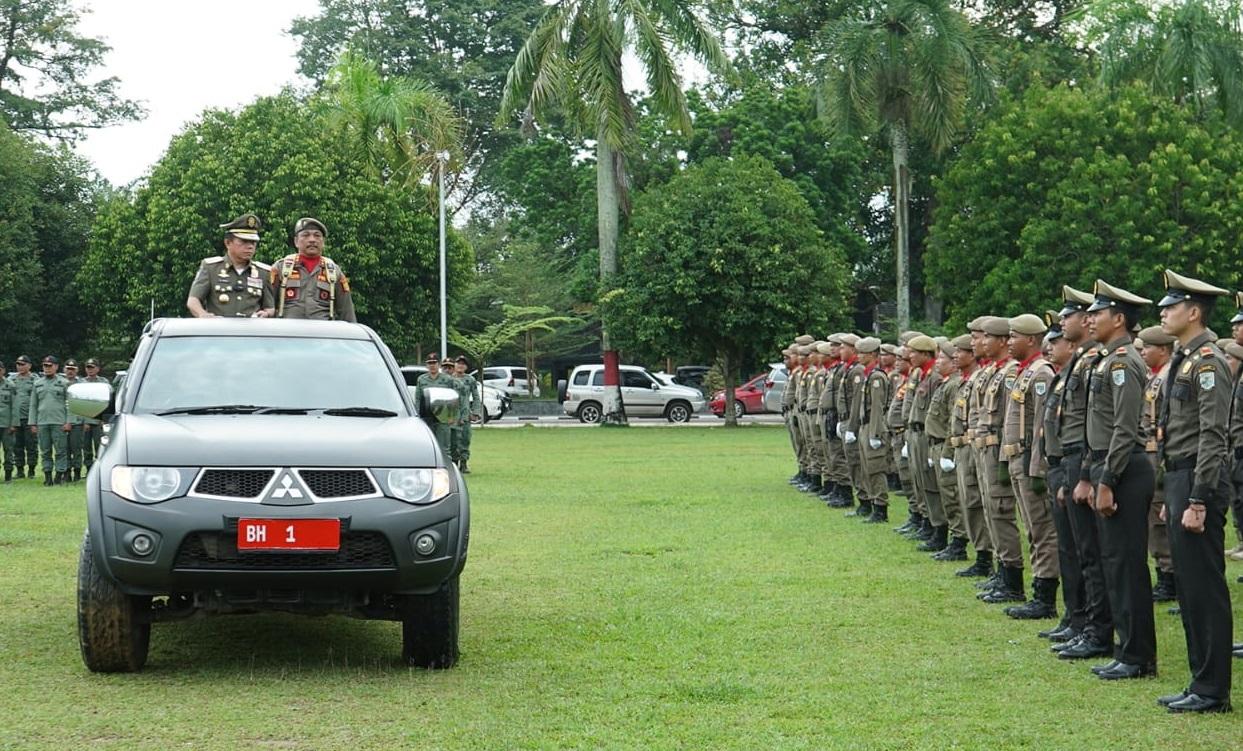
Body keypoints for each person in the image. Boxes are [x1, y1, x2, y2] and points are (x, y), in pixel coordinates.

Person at [1155, 269, 1233, 713]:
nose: (1163, 313)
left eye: (1171, 306)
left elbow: (1212, 434)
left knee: (1204, 587)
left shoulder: (1208, 362)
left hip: (1199, 479)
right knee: (1188, 586)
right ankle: (1199, 680)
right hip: (1181, 477)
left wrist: (1199, 497)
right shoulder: (1185, 358)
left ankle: (1212, 689)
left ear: (1194, 311)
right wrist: (1174, 493)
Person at [1073, 281, 1158, 681]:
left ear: (1119, 319)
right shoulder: (1107, 359)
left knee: (1126, 565)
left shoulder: (1124, 361)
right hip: (1109, 467)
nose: (1089, 319)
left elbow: (1125, 429)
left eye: (1098, 313)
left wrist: (1106, 478)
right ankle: (1126, 648)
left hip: (1125, 469)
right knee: (1113, 563)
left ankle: (1137, 655)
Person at [1050, 287, 1115, 661]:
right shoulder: (1082, 360)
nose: (1067, 321)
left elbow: (1099, 421)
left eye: (1070, 316)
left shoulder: (1099, 361)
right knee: (1078, 550)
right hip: (1072, 458)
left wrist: (1086, 472)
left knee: (1091, 552)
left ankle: (1096, 629)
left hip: (1084, 458)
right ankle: (1083, 622)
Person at [1001, 314, 1060, 620]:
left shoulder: (1040, 375)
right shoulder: (1026, 373)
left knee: (1042, 529)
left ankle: (1045, 595)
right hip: (1016, 459)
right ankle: (1038, 589)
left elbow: (1041, 426)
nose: (1009, 342)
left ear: (1032, 340)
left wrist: (1037, 469)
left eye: (1014, 336)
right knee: (1032, 527)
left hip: (1029, 461)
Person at [1037, 312, 1087, 641]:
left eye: (1056, 340)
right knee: (1069, 550)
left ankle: (1086, 622)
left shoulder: (1080, 371)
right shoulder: (1063, 374)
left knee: (1083, 552)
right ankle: (1074, 616)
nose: (1050, 347)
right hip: (1058, 465)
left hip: (1074, 464)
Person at [975, 317, 1024, 603]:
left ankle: (1012, 579)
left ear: (1002, 341)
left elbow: (1009, 419)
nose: (978, 342)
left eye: (984, 337)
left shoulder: (1009, 373)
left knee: (1001, 510)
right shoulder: (994, 371)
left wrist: (1005, 457)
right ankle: (1001, 571)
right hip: (987, 448)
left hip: (999, 450)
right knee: (991, 509)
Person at [1137, 326, 1177, 601]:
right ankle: (1165, 574)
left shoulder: (1167, 377)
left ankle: (1170, 577)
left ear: (1162, 349)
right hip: (1149, 454)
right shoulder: (1155, 377)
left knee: (1161, 521)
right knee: (1153, 520)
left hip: (1159, 456)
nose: (1142, 352)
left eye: (1146, 348)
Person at [187, 213, 276, 318]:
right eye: (244, 241)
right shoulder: (211, 268)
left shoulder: (263, 272)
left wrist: (266, 313)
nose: (250, 246)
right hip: (219, 330)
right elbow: (193, 301)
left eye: (253, 242)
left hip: (251, 331)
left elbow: (270, 307)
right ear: (228, 243)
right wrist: (203, 314)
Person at [927, 337, 968, 560]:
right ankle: (950, 538)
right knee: (944, 495)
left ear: (953, 363)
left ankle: (959, 541)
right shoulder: (947, 382)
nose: (938, 361)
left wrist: (948, 452)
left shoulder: (954, 385)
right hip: (936, 444)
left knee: (952, 497)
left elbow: (954, 421)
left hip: (945, 445)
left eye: (943, 357)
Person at [270, 217, 357, 322]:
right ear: (296, 241)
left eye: (317, 235)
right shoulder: (281, 268)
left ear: (323, 242)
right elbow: (267, 306)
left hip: (322, 335)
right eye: (306, 235)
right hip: (287, 333)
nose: (312, 240)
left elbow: (347, 312)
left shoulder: (333, 271)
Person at [852, 337, 891, 522]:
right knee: (866, 468)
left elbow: (877, 407)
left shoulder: (876, 377)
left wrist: (875, 434)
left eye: (863, 353)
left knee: (875, 468)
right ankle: (872, 503)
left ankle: (880, 508)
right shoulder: (868, 374)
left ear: (873, 354)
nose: (859, 356)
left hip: (872, 427)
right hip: (865, 425)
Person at [28, 355, 70, 486]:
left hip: (59, 422)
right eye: (45, 366)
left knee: (60, 450)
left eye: (50, 366)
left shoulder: (64, 383)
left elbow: (69, 404)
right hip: (42, 422)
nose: (47, 368)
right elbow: (33, 405)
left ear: (56, 367)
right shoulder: (38, 383)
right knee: (45, 451)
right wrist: (32, 423)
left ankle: (59, 474)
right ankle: (47, 476)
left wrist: (69, 421)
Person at [415, 353, 457, 458]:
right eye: (429, 363)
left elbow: (453, 398)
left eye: (434, 363)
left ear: (438, 365)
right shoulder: (421, 379)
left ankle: (447, 469)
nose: (432, 365)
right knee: (428, 445)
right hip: (427, 416)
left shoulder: (448, 380)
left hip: (443, 415)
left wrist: (452, 416)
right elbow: (418, 398)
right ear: (426, 365)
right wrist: (416, 415)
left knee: (444, 446)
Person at [450, 356, 482, 473]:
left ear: (466, 367)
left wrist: (476, 412)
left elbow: (476, 397)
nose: (460, 366)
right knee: (453, 441)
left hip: (465, 414)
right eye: (458, 363)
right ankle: (454, 463)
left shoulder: (470, 380)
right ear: (455, 365)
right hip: (452, 415)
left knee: (465, 439)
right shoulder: (448, 379)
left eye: (463, 364)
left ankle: (464, 463)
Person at [10, 354, 36, 479]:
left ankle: (31, 470)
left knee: (31, 445)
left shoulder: (35, 379)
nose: (19, 366)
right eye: (18, 364)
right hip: (15, 418)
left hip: (30, 418)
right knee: (17, 445)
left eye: (22, 364)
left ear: (29, 365)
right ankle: (19, 470)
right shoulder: (11, 379)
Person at [80, 358, 109, 470]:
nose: (90, 370)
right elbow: (80, 403)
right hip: (85, 420)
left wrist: (104, 419)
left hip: (99, 420)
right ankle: (88, 469)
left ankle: (99, 469)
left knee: (99, 446)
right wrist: (84, 421)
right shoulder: (81, 382)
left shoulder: (104, 382)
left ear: (98, 368)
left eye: (92, 367)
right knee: (86, 447)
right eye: (88, 367)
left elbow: (107, 402)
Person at [62, 359, 86, 482]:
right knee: (63, 449)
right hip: (62, 421)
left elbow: (87, 403)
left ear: (77, 370)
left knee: (76, 448)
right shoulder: (60, 383)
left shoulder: (83, 384)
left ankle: (77, 472)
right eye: (68, 369)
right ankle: (66, 472)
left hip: (77, 421)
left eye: (73, 369)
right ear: (64, 369)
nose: (70, 371)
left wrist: (86, 421)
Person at [1, 360, 17, 482]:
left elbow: (15, 406)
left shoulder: (10, 385)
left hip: (6, 424)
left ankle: (8, 475)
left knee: (8, 450)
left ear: (3, 371)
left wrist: (13, 424)